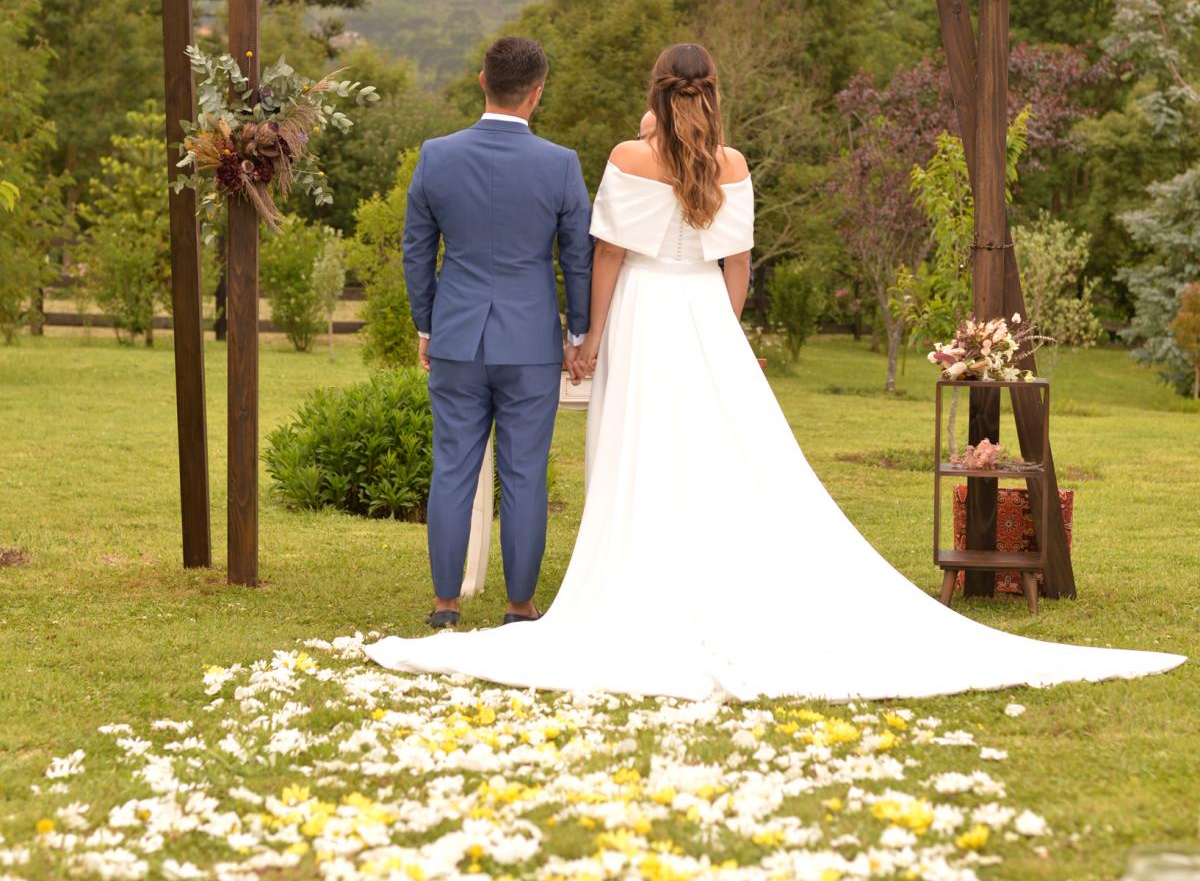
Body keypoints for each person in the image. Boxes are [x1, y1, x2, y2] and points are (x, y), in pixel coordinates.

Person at [367, 43, 1185, 700]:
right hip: (700, 319)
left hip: (638, 317)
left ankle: (471, 602)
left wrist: (592, 334)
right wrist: (718, 333)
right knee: (696, 459)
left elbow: (606, 254)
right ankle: (543, 601)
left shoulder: (618, 155)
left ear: (653, 93)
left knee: (624, 455)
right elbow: (737, 265)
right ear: (711, 93)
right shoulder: (733, 164)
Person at [400, 36, 592, 629]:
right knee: (525, 472)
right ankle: (519, 607)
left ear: (482, 80)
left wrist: (428, 324)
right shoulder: (560, 163)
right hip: (531, 342)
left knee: (453, 465)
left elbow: (416, 250)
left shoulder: (436, 155)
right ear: (537, 93)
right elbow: (577, 258)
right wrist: (579, 332)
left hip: (457, 337)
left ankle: (445, 605)